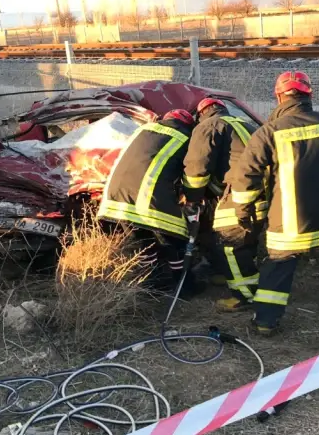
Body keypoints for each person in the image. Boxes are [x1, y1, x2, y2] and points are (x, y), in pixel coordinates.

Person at [231, 71, 319, 336]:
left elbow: (246, 176)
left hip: (290, 221)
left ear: (279, 96)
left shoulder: (268, 132)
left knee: (278, 266)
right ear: (309, 95)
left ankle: (266, 321)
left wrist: (243, 212)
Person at [98, 109, 201, 295]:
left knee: (143, 243)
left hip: (115, 198)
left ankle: (152, 284)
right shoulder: (186, 138)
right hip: (148, 198)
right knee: (173, 241)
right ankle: (185, 287)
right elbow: (190, 173)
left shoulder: (143, 130)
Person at [182, 97, 266, 310]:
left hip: (241, 194)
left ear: (202, 113)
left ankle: (245, 295)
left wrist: (192, 198)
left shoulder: (208, 126)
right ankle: (228, 273)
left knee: (230, 242)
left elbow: (197, 167)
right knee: (246, 238)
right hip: (263, 193)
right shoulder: (242, 124)